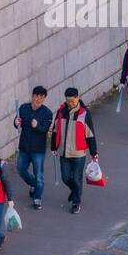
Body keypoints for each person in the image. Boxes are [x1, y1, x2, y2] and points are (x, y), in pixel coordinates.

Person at [51, 87, 98, 215]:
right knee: (65, 177)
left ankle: (76, 203)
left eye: (72, 100)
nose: (70, 103)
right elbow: (55, 130)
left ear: (78, 98)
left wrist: (94, 153)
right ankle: (75, 191)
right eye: (68, 101)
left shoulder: (84, 113)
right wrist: (53, 147)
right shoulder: (61, 112)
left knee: (77, 179)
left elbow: (90, 134)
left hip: (78, 153)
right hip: (63, 152)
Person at [13, 84, 52, 210]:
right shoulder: (23, 108)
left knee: (39, 174)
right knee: (20, 169)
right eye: (37, 96)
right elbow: (17, 122)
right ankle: (34, 184)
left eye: (42, 97)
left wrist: (37, 126)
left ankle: (37, 197)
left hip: (38, 149)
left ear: (44, 98)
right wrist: (16, 122)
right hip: (24, 147)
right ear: (32, 96)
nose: (39, 99)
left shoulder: (47, 113)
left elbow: (45, 129)